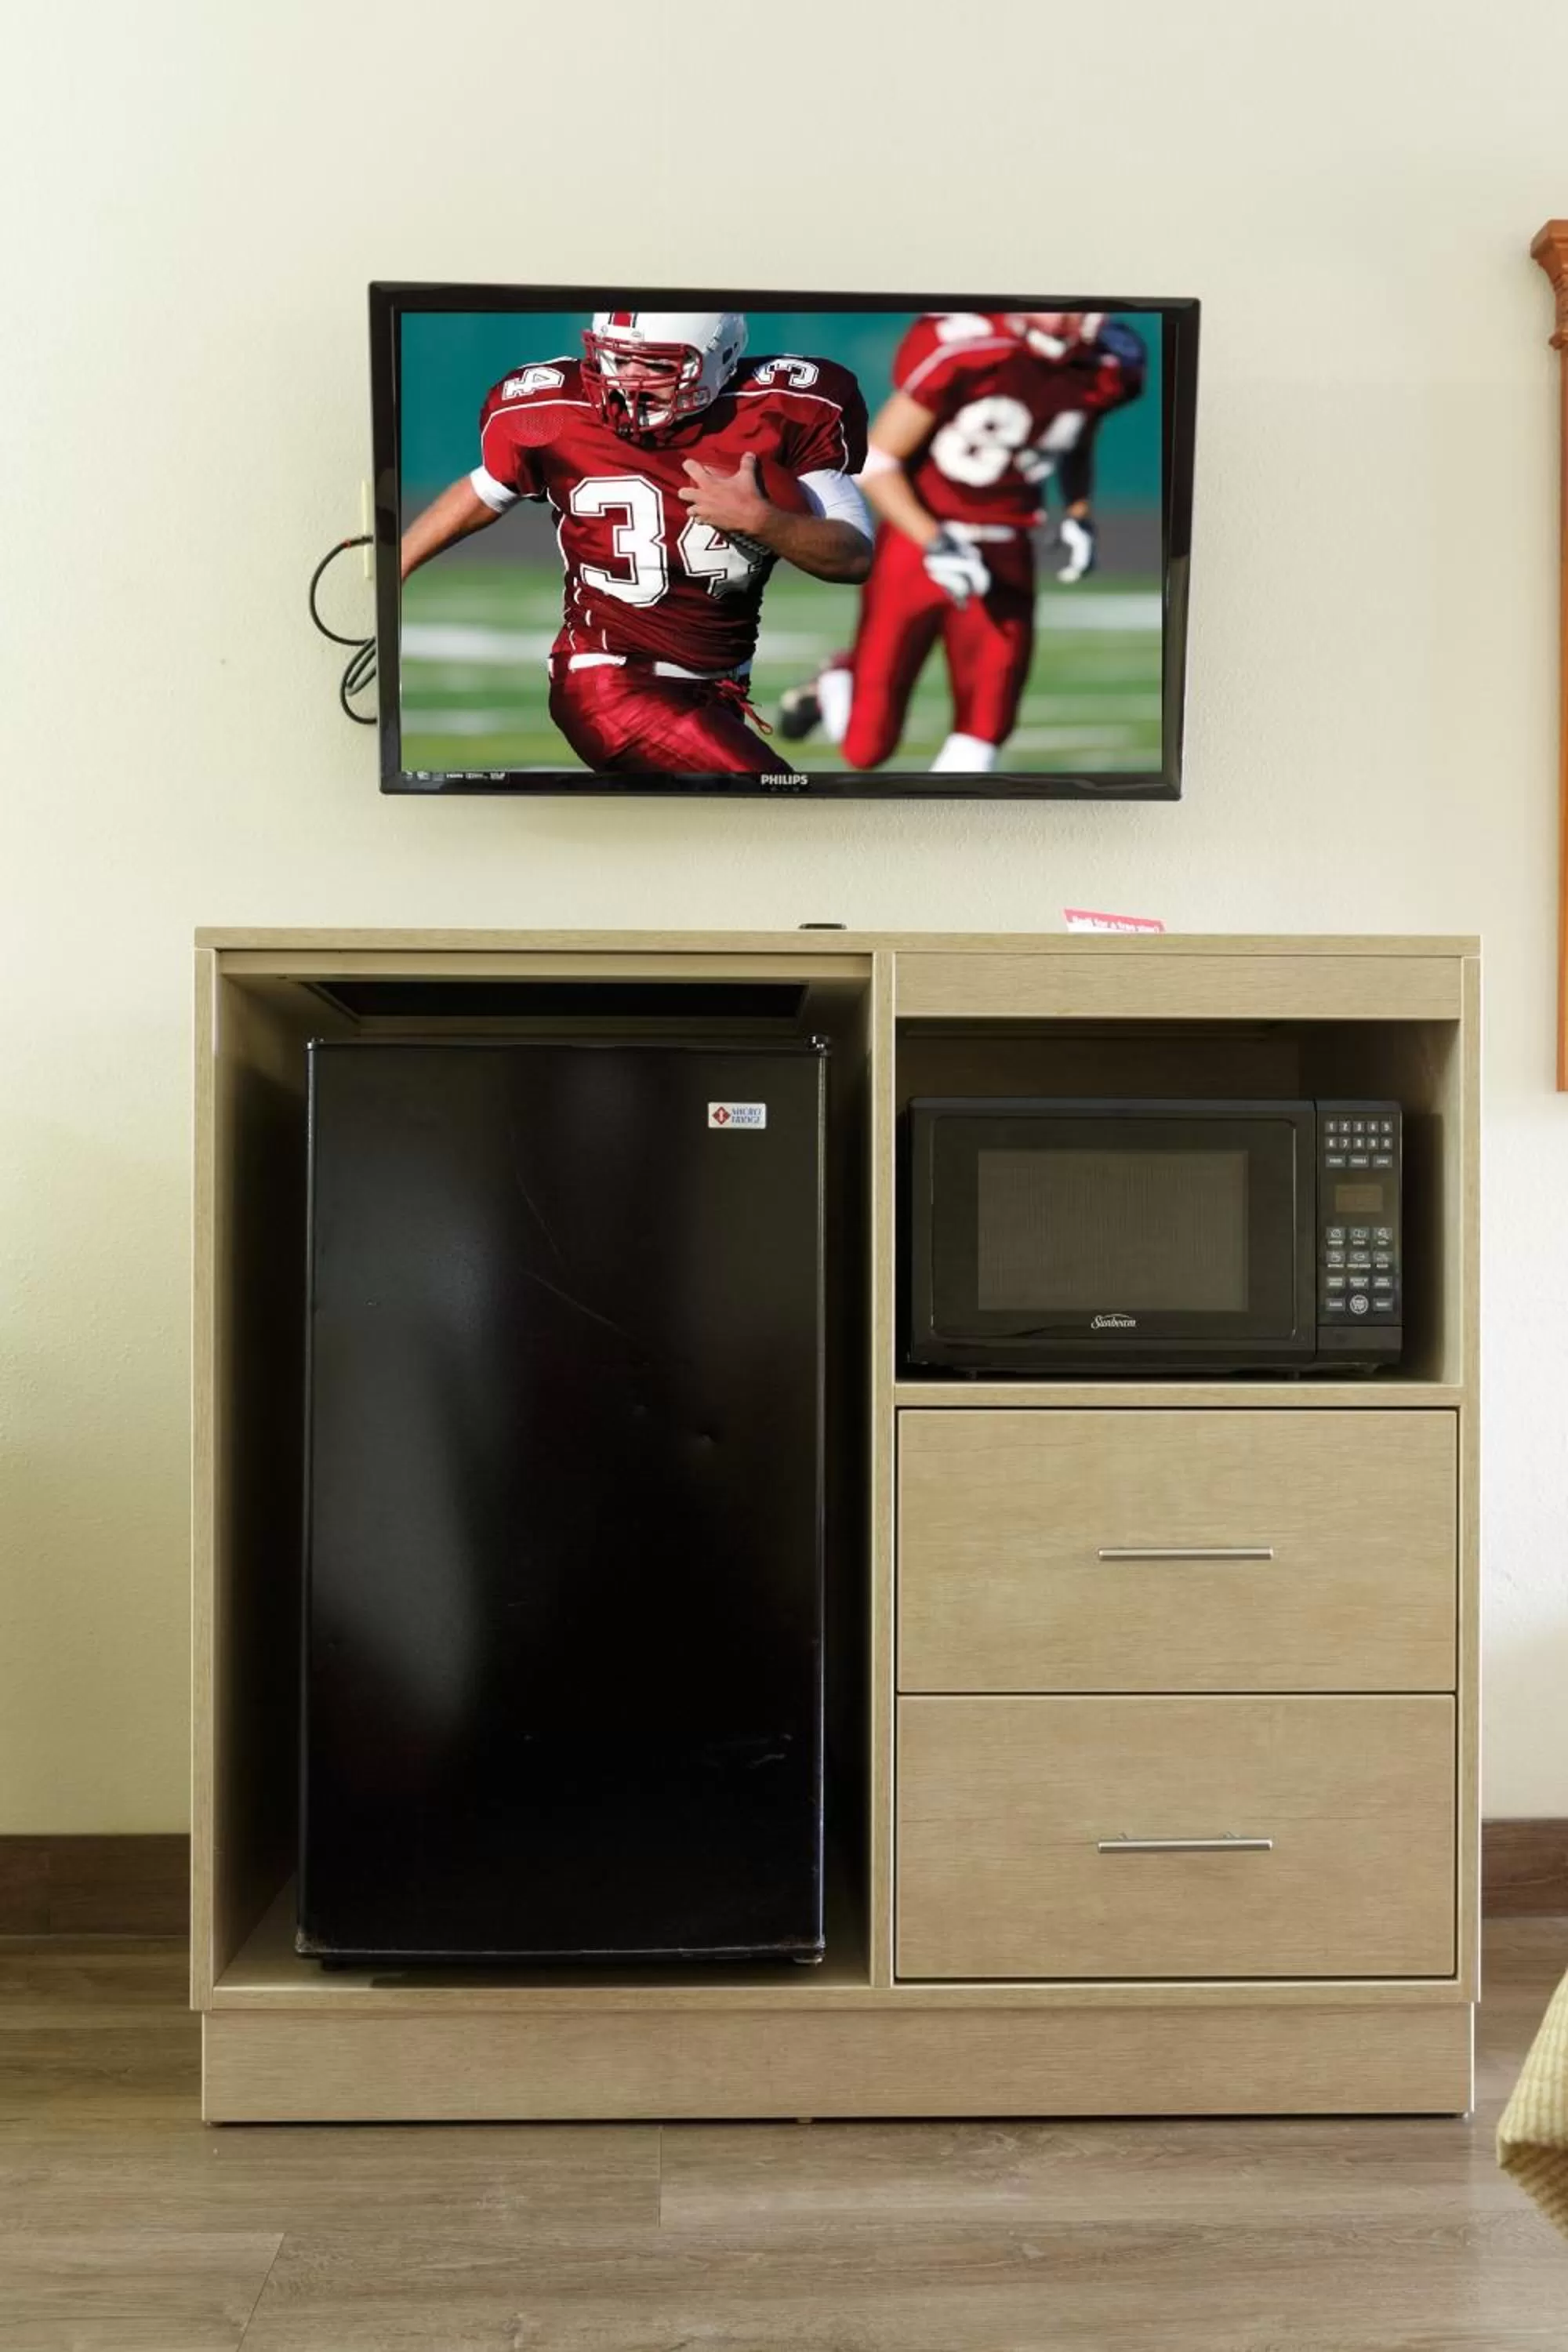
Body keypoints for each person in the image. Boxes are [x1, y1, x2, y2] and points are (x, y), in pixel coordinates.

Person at [401, 311, 871, 777]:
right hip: (610, 684)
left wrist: (764, 522)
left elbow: (854, 554)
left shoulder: (783, 409)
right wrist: (394, 567)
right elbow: (488, 489)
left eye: (656, 365)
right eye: (617, 360)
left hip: (716, 690)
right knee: (775, 807)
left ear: (719, 360)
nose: (628, 380)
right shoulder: (555, 412)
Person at [779, 311, 1146, 775]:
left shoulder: (1111, 359)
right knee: (866, 751)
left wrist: (1078, 511)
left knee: (986, 729)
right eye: (1065, 303)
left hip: (1007, 546)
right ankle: (837, 680)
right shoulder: (967, 347)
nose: (1084, 317)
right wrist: (936, 542)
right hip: (919, 543)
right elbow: (877, 460)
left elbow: (1075, 432)